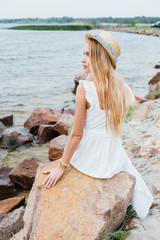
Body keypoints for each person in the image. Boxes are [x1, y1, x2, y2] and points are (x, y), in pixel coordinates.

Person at [42, 31, 153, 219]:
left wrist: (61, 166)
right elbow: (129, 95)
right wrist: (141, 98)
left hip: (90, 157)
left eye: (87, 54)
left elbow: (76, 135)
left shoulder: (84, 89)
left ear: (99, 58)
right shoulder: (121, 88)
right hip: (113, 156)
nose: (82, 59)